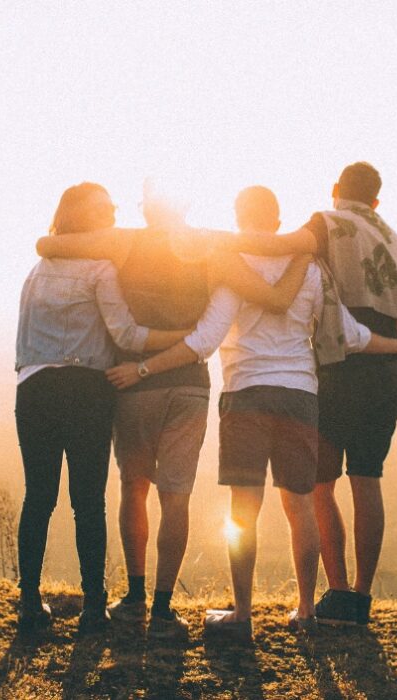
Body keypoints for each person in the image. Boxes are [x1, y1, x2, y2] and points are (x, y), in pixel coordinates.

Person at [106, 186, 397, 640]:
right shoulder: (311, 268)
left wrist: (144, 367)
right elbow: (348, 334)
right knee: (301, 506)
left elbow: (205, 340)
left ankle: (243, 615)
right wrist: (396, 346)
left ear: (238, 217)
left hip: (246, 394)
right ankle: (307, 610)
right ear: (277, 222)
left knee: (243, 511)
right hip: (299, 396)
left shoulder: (232, 266)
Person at [35, 182, 311, 639]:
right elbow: (267, 275)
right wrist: (304, 248)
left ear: (146, 208)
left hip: (133, 384)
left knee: (133, 487)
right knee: (175, 496)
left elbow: (50, 244)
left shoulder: (124, 241)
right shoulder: (210, 245)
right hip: (189, 384)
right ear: (185, 203)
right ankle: (163, 610)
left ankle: (135, 597)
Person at [219, 162, 397, 626]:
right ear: (377, 200)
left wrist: (212, 243)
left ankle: (336, 592)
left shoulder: (326, 224)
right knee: (367, 480)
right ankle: (360, 600)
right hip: (384, 369)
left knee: (318, 487)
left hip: (338, 367)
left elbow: (280, 246)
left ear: (335, 191)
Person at [13, 182, 191, 636]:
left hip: (34, 389)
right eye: (105, 208)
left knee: (39, 498)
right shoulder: (100, 268)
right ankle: (93, 608)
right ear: (87, 219)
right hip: (86, 390)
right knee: (87, 502)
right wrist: (182, 338)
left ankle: (30, 604)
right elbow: (128, 336)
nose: (113, 212)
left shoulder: (37, 270)